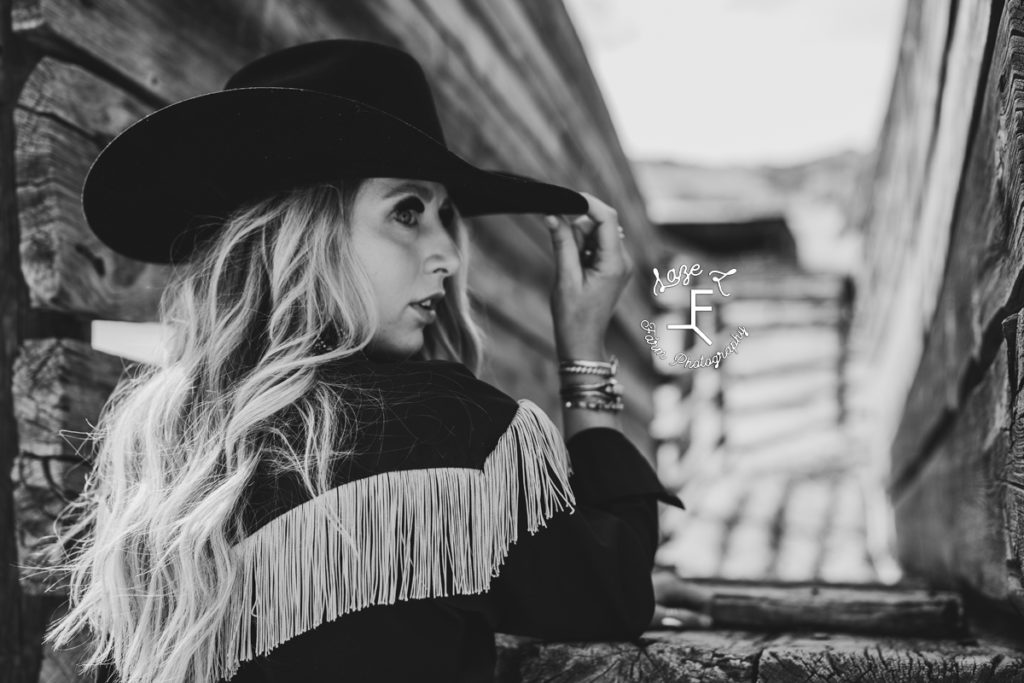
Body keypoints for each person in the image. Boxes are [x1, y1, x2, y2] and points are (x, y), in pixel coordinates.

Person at [43, 40, 686, 683]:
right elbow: (612, 593)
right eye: (407, 211)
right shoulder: (450, 429)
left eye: (444, 215)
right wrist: (584, 352)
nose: (448, 255)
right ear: (305, 232)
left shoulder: (159, 445)